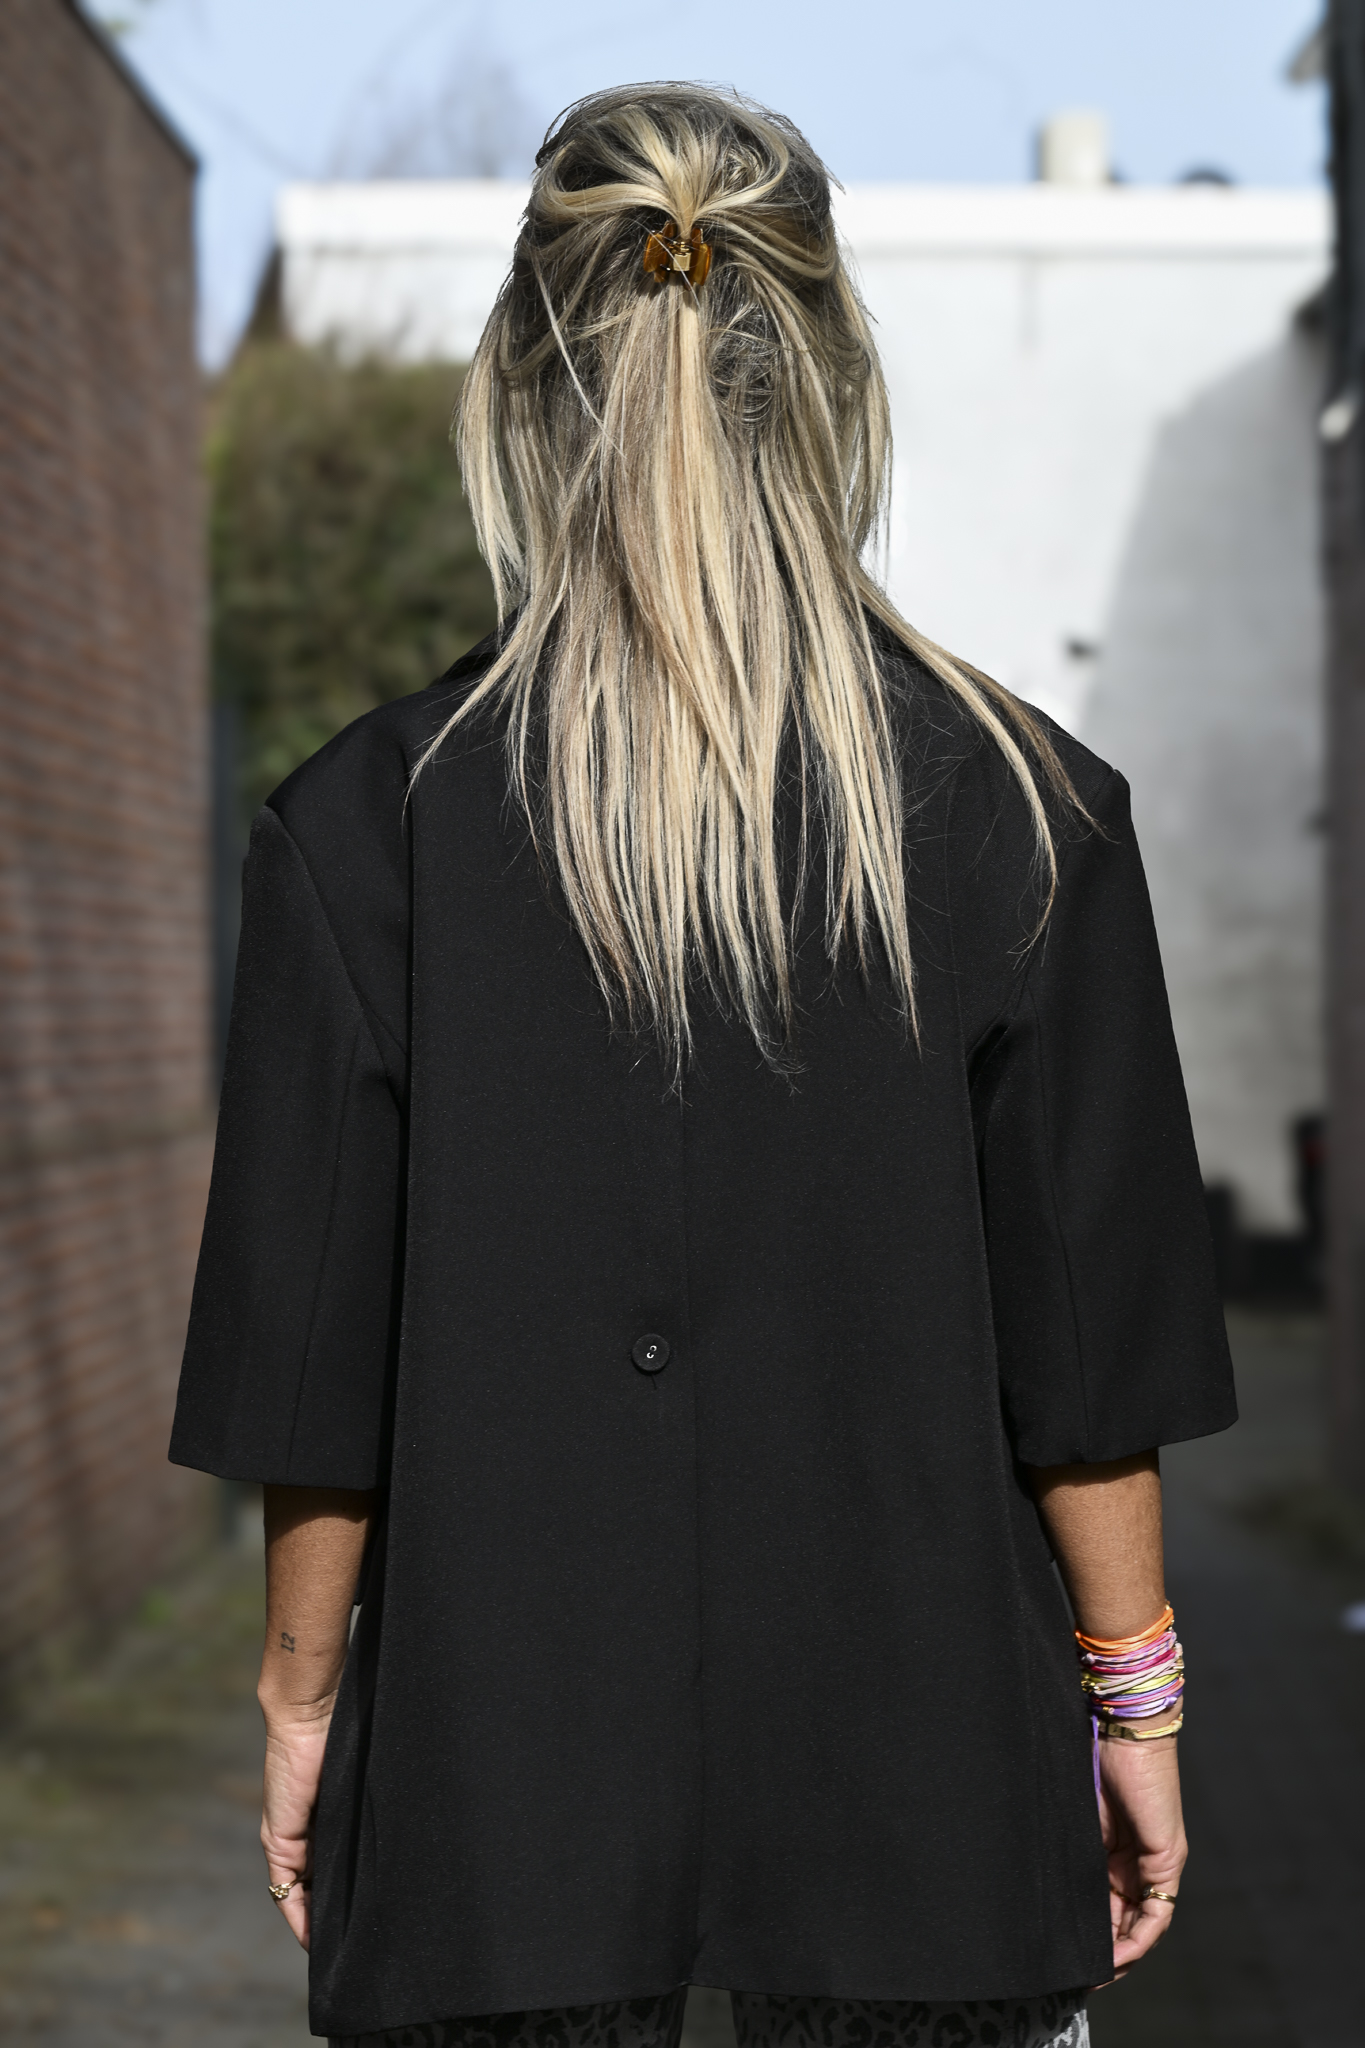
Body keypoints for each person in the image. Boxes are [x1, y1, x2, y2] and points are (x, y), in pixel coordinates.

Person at [171, 82, 1236, 2048]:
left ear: (523, 385)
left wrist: (301, 1700)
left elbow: (315, 1388)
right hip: (927, 1811)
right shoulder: (1023, 813)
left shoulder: (358, 835)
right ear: (827, 374)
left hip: (498, 1820)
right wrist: (1136, 1704)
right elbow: (1083, 1377)